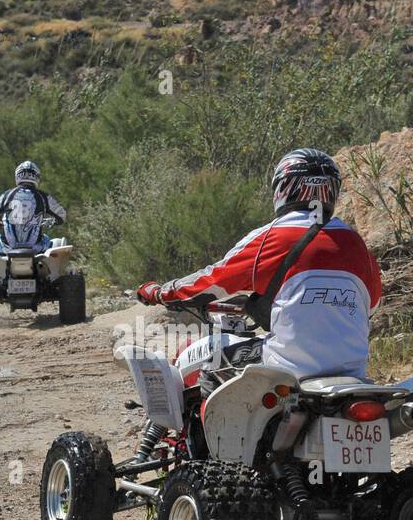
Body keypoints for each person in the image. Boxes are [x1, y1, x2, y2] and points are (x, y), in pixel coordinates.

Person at [136, 148, 382, 382]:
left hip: (288, 364)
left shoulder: (272, 237)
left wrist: (160, 292)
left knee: (208, 360)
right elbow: (370, 306)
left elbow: (211, 281)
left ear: (283, 188)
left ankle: (218, 428)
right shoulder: (355, 242)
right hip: (353, 370)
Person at [0, 160, 66, 255]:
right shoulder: (43, 196)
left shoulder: (7, 195)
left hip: (7, 247)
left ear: (18, 176)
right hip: (36, 248)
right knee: (55, 242)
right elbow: (62, 215)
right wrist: (54, 222)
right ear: (36, 177)